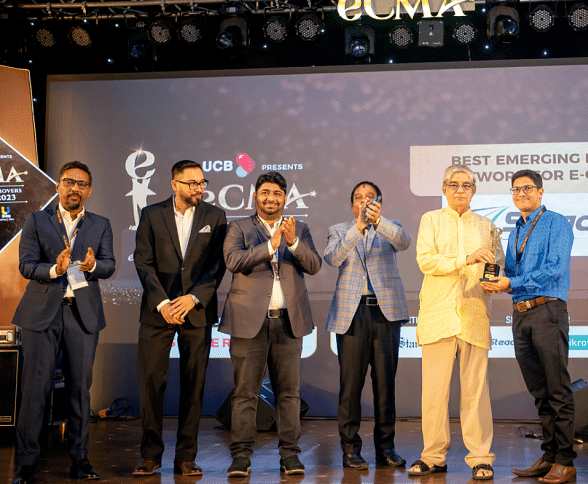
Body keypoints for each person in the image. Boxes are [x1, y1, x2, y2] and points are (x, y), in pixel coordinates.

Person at [12, 161, 115, 484]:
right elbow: (26, 265)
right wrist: (55, 270)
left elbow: (109, 265)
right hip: (41, 314)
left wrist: (92, 266)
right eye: (69, 182)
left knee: (79, 390)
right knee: (35, 389)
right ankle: (26, 464)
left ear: (89, 191)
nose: (75, 188)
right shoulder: (36, 220)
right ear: (58, 186)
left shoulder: (100, 224)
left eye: (82, 184)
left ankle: (80, 460)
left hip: (81, 315)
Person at [220, 171, 322, 478]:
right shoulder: (238, 227)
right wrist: (269, 246)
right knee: (245, 394)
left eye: (277, 193)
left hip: (287, 323)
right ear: (255, 197)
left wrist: (292, 242)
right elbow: (233, 261)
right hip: (248, 322)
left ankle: (290, 455)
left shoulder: (298, 228)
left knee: (288, 394)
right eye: (265, 192)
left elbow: (314, 265)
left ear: (285, 198)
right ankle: (241, 456)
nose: (271, 198)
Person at [480, 169, 576, 484]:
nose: (521, 194)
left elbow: (555, 268)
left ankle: (565, 461)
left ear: (540, 191)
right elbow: (511, 273)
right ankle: (549, 456)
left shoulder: (556, 223)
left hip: (548, 310)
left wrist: (512, 282)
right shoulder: (514, 231)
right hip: (520, 314)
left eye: (527, 188)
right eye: (516, 189)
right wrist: (495, 277)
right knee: (539, 392)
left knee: (557, 389)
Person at [133, 160, 227, 476]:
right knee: (151, 383)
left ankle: (186, 457)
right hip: (158, 312)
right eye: (192, 183)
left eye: (202, 182)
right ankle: (150, 455)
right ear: (175, 184)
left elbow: (217, 265)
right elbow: (143, 263)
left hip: (196, 311)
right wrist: (163, 303)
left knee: (193, 385)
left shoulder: (215, 216)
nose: (199, 188)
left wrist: (193, 297)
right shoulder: (151, 214)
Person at [409, 165, 503, 480]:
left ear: (474, 190)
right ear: (444, 189)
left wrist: (495, 278)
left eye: (466, 185)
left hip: (474, 314)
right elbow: (426, 261)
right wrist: (466, 259)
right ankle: (433, 456)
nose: (460, 190)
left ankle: (481, 457)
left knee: (476, 392)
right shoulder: (431, 220)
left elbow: (498, 263)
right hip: (438, 316)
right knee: (434, 393)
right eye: (454, 184)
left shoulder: (487, 226)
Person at [324, 181, 410, 470]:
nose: (364, 202)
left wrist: (378, 222)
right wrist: (358, 228)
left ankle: (386, 448)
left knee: (385, 385)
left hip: (386, 313)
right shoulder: (339, 230)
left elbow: (404, 242)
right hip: (352, 314)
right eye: (359, 198)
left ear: (378, 203)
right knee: (350, 386)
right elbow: (332, 257)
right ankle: (350, 449)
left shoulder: (390, 227)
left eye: (370, 198)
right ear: (352, 206)